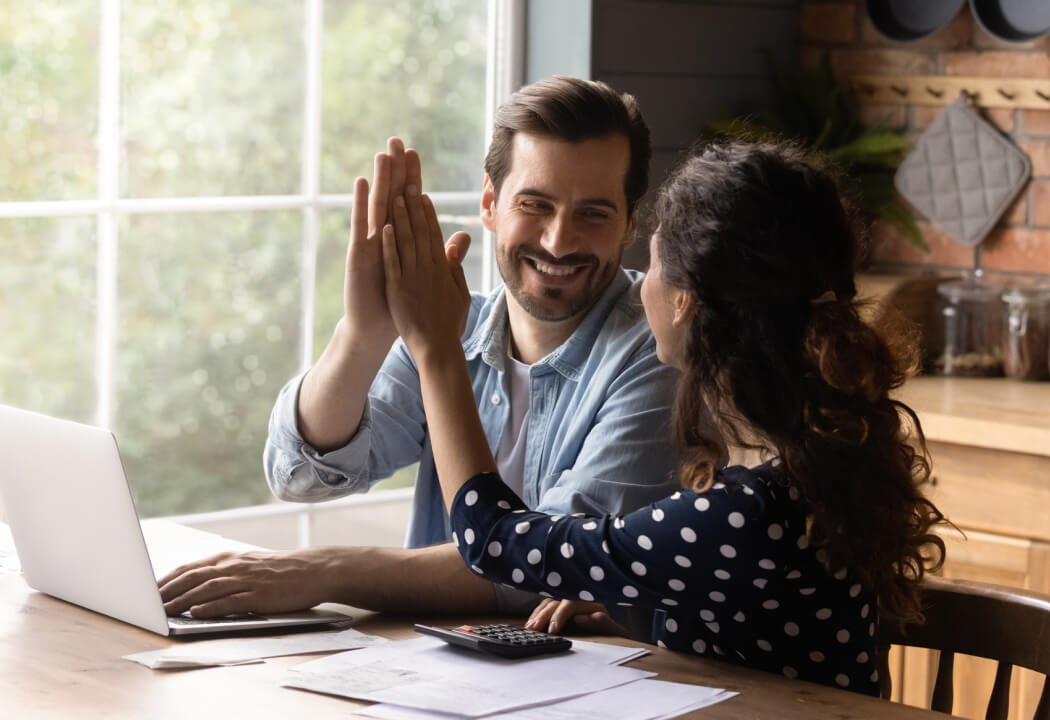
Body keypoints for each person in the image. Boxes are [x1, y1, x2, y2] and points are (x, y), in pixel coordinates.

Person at [377, 139, 948, 695]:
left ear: (685, 301)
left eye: (649, 264)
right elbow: (758, 630)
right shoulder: (800, 469)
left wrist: (436, 349)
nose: (639, 283)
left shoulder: (749, 513)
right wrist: (641, 617)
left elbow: (491, 542)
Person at [158, 77, 722, 619]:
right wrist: (365, 332)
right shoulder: (455, 323)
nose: (558, 240)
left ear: (628, 224)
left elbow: (554, 569)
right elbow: (298, 474)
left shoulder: (658, 356)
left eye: (593, 214)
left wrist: (327, 571)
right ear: (489, 203)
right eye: (535, 205)